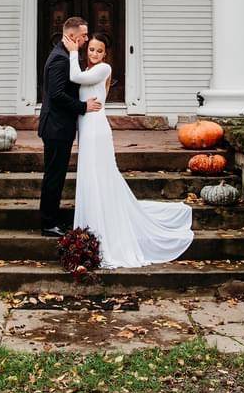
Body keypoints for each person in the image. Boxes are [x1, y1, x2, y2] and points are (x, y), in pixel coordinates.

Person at [62, 31, 194, 268]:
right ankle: (94, 222)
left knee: (98, 175)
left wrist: (72, 52)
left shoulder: (103, 69)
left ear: (105, 53)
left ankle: (103, 226)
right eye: (91, 49)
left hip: (95, 128)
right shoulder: (90, 69)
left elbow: (74, 77)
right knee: (92, 176)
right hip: (87, 126)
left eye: (99, 50)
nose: (94, 53)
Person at [37, 17, 102, 237]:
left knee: (56, 174)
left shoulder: (64, 55)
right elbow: (57, 95)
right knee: (54, 176)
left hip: (59, 127)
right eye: (84, 35)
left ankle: (50, 219)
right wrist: (83, 106)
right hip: (56, 127)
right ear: (72, 36)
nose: (86, 39)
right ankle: (48, 223)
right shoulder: (60, 59)